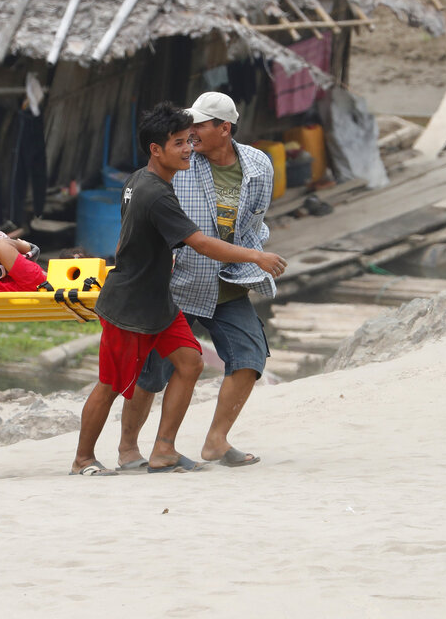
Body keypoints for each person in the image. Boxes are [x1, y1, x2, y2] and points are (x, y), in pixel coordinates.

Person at [70, 102, 286, 476]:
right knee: (111, 384)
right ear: (157, 150)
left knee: (190, 362)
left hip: (160, 300)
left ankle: (164, 450)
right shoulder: (157, 194)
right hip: (133, 303)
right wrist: (256, 256)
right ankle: (83, 459)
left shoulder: (142, 180)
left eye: (189, 139)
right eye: (179, 142)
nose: (189, 147)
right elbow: (200, 243)